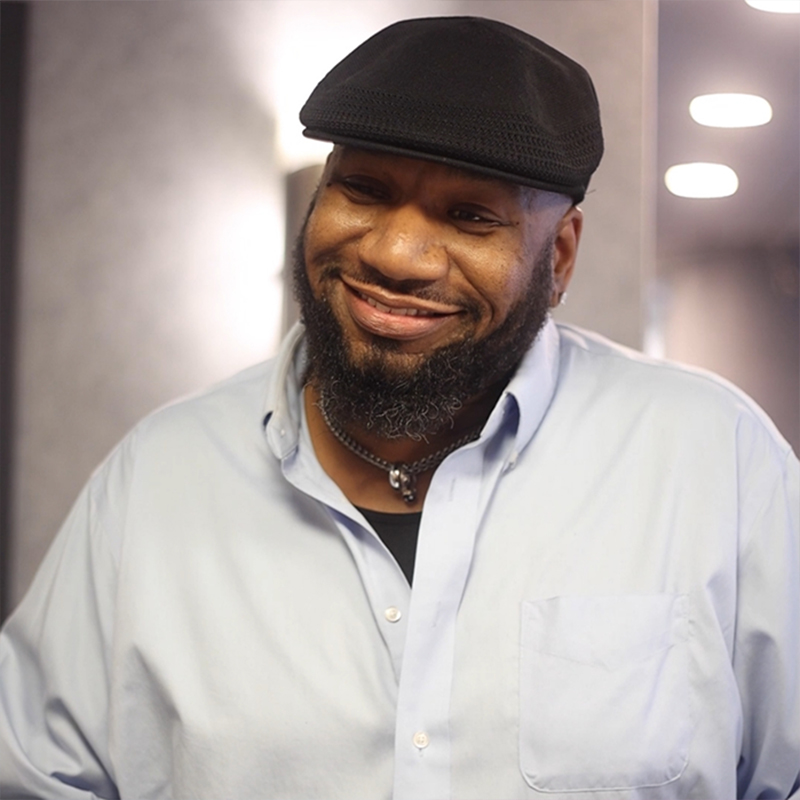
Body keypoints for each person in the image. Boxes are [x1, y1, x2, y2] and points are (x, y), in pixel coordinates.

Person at [0, 15, 798, 800]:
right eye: (364, 189)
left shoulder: (713, 461)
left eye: (470, 216)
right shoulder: (158, 477)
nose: (394, 255)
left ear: (558, 258)